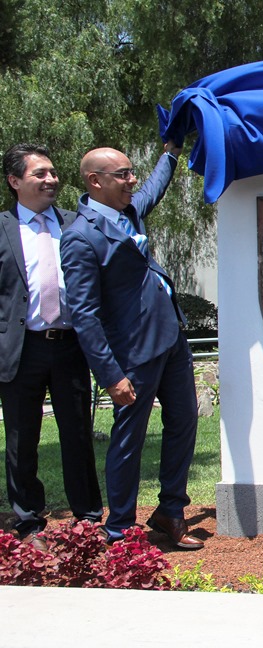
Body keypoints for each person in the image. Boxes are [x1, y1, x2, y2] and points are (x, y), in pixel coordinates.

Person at [60, 141, 203, 550]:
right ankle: (120, 529)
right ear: (95, 181)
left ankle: (170, 512)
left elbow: (153, 188)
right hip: (133, 354)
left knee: (184, 424)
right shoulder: (80, 237)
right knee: (129, 440)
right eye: (122, 174)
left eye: (130, 172)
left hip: (171, 338)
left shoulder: (129, 211)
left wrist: (170, 154)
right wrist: (111, 376)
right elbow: (84, 315)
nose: (132, 180)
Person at [0, 144, 103, 550]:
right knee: (21, 440)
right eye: (40, 174)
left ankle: (88, 520)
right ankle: (28, 524)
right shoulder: (4, 227)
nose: (51, 180)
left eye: (53, 172)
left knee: (77, 435)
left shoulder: (75, 224)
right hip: (20, 350)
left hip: (69, 346)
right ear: (14, 181)